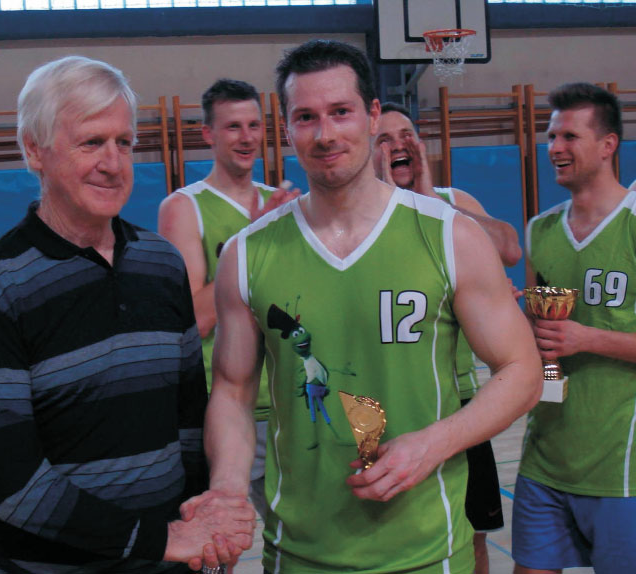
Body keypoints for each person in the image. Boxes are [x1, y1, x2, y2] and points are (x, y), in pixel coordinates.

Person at [198, 39, 541, 574]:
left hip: (428, 549)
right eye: (306, 117)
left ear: (372, 115)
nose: (325, 134)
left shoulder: (450, 236)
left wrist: (434, 443)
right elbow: (233, 391)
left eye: (341, 112)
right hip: (298, 552)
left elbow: (523, 371)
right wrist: (225, 489)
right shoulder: (246, 255)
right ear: (286, 129)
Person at [0, 56, 254, 574]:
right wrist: (161, 539)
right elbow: (15, 486)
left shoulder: (161, 264)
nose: (113, 163)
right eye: (91, 143)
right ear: (34, 150)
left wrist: (206, 522)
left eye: (124, 142)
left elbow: (187, 426)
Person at [372, 102, 521, 574]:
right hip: (387, 402)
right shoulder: (361, 213)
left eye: (406, 135)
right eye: (384, 139)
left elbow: (510, 248)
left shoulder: (451, 202)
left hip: (457, 401)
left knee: (472, 533)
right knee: (391, 540)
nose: (398, 145)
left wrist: (430, 199)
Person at [158, 79, 298, 520]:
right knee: (222, 537)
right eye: (233, 126)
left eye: (254, 125)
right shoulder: (184, 207)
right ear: (208, 134)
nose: (247, 137)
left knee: (300, 535)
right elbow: (193, 319)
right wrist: (251, 241)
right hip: (226, 404)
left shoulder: (282, 202)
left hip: (287, 397)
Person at [512, 82, 636, 574]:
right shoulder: (540, 230)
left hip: (621, 464)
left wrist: (588, 339)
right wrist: (520, 330)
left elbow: (574, 339)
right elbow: (543, 347)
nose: (555, 148)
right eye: (550, 136)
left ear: (607, 145)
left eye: (569, 136)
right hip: (545, 455)